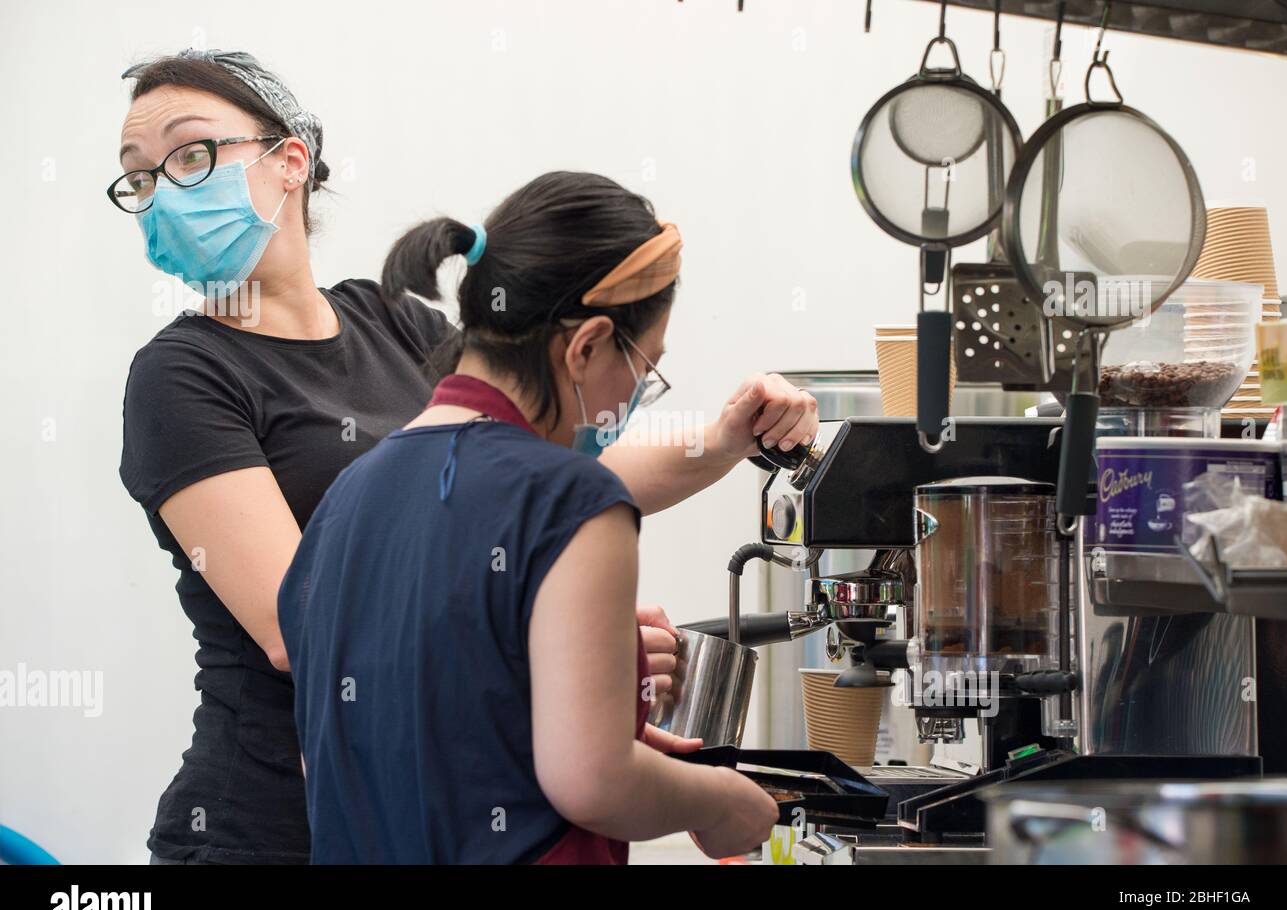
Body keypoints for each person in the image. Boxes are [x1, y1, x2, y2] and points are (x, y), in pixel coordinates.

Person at [112, 50, 816, 864]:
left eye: (190, 155)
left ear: (289, 161)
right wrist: (565, 644)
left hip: (421, 807)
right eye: (139, 179)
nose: (163, 191)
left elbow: (528, 492)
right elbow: (305, 621)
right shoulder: (181, 375)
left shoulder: (390, 323)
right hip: (265, 821)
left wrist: (724, 438)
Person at [280, 171, 784, 863]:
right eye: (645, 369)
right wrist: (724, 800)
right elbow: (593, 781)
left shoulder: (345, 498)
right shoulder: (572, 498)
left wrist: (577, 725)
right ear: (586, 345)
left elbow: (358, 753)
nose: (637, 396)